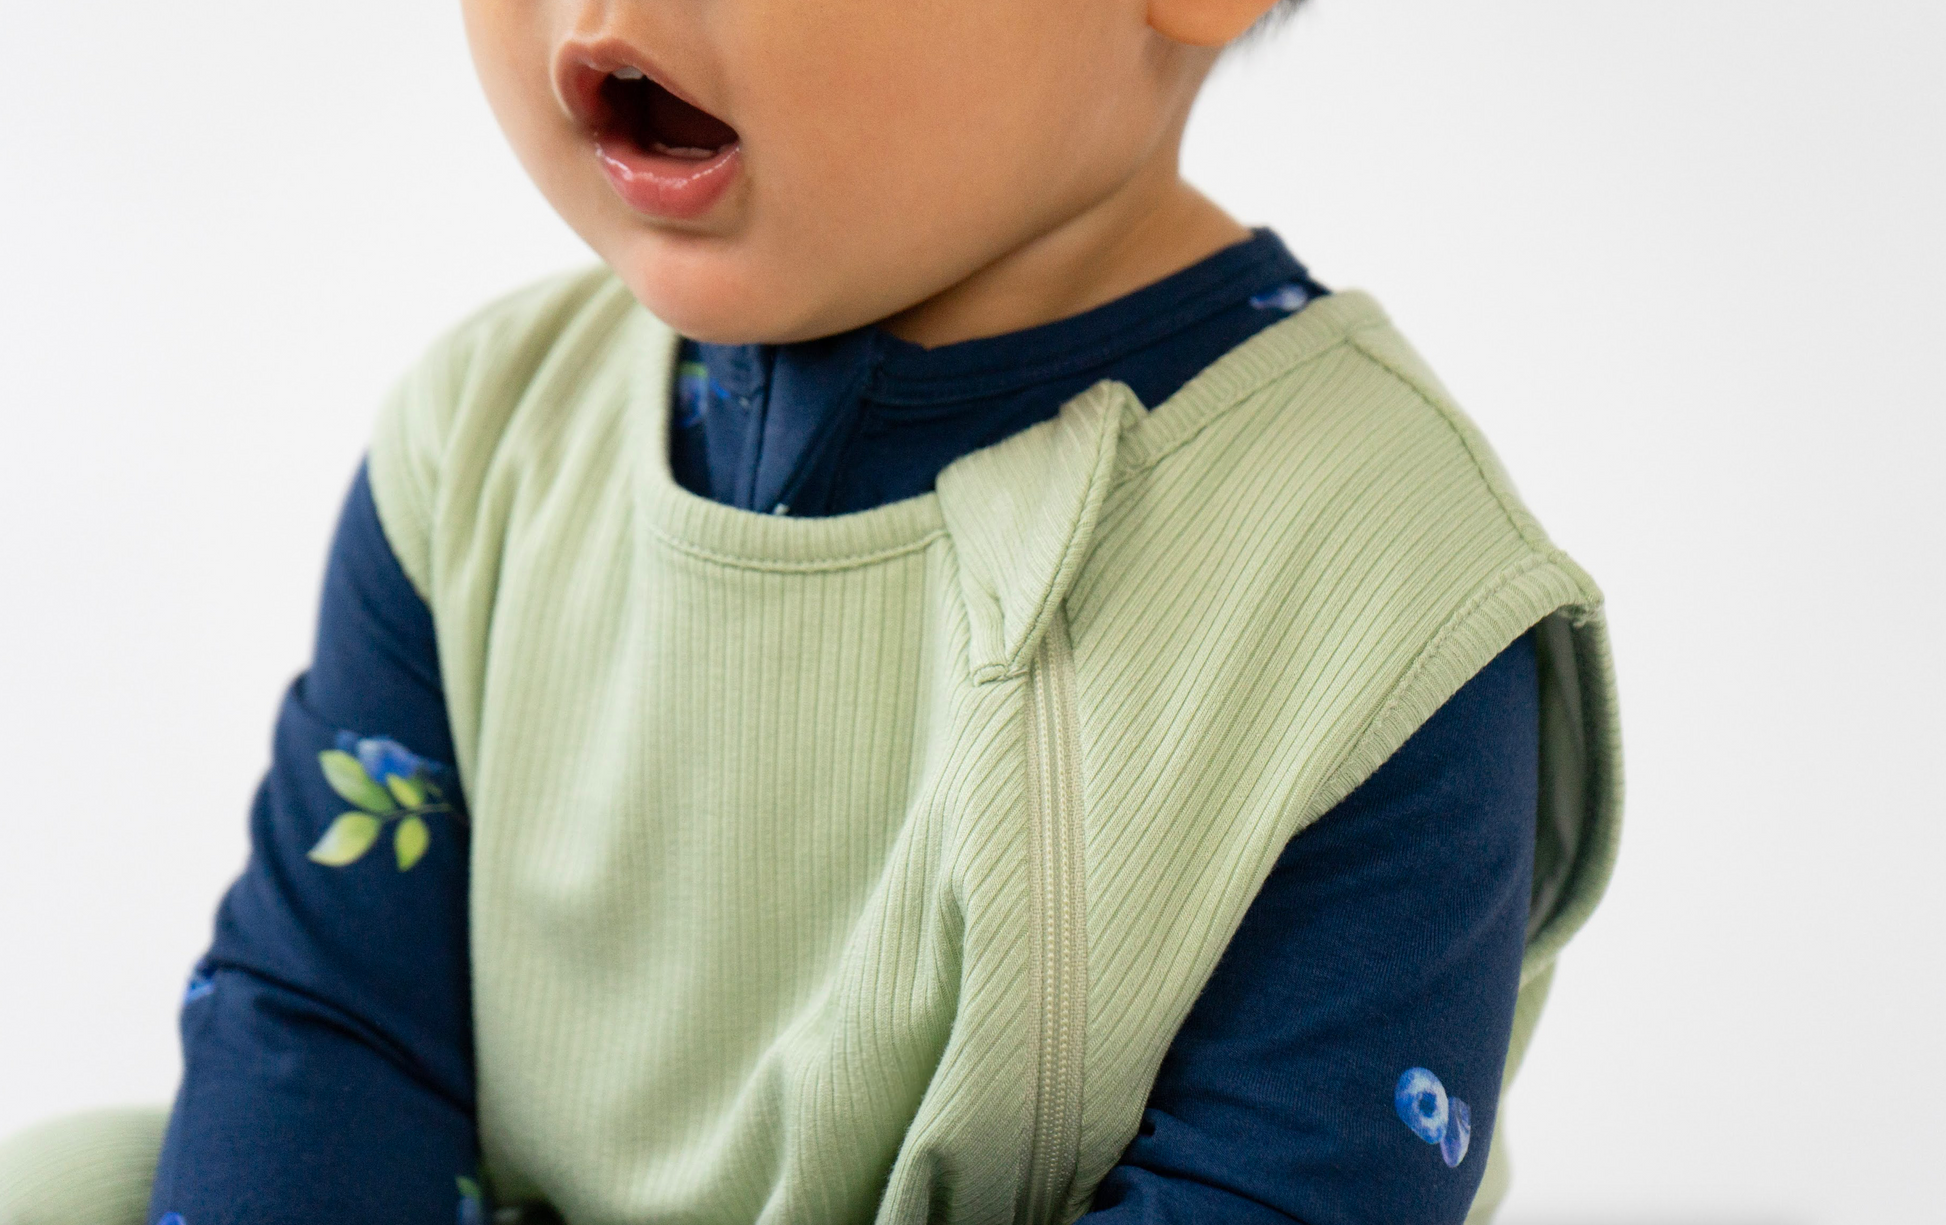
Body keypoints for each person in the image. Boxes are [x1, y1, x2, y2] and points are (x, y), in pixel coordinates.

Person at [0, 0, 1622, 1221]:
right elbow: (332, 1021)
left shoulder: (1382, 593)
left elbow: (1273, 1191)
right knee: (72, 1184)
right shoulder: (489, 439)